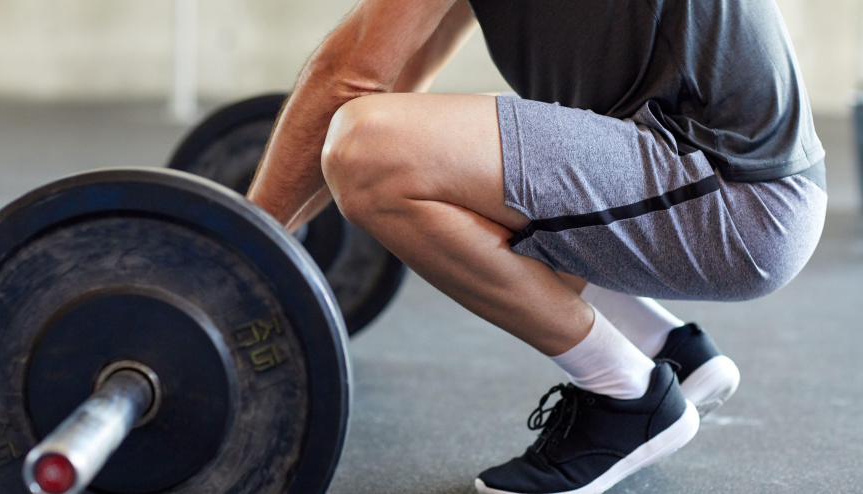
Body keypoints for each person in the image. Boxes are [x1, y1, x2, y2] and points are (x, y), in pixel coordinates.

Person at [247, 0, 827, 492]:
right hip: (730, 179)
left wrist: (237, 257)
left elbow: (349, 78)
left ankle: (629, 397)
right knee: (420, 153)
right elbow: (393, 70)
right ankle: (665, 348)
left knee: (367, 153)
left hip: (736, 200)